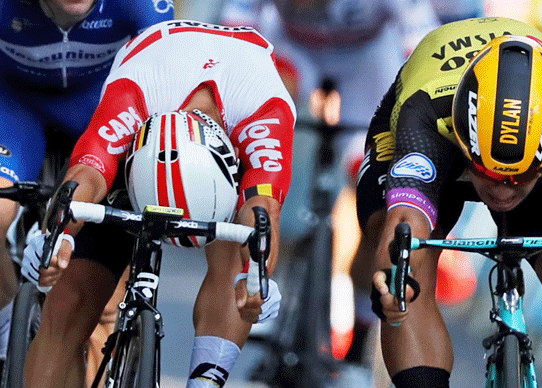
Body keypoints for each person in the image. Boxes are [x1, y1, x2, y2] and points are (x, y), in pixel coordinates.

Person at [357, 17, 542, 387]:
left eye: (519, 178)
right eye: (489, 174)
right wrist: (393, 280)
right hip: (439, 141)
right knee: (403, 272)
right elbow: (405, 220)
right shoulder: (428, 113)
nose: (502, 192)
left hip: (516, 150)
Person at [21, 19, 295, 388]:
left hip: (234, 109)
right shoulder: (136, 90)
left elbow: (263, 209)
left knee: (240, 257)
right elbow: (87, 172)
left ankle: (205, 381)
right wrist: (58, 232)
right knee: (69, 305)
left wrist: (258, 274)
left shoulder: (266, 109)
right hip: (151, 106)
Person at [220, 0, 440, 361]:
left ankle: (359, 344)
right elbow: (235, 29)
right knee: (262, 143)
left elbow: (425, 45)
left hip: (366, 61)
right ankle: (257, 275)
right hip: (293, 51)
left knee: (379, 198)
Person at [0, 0, 173, 376]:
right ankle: (7, 328)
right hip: (14, 109)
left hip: (100, 113)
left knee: (99, 303)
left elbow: (169, 77)